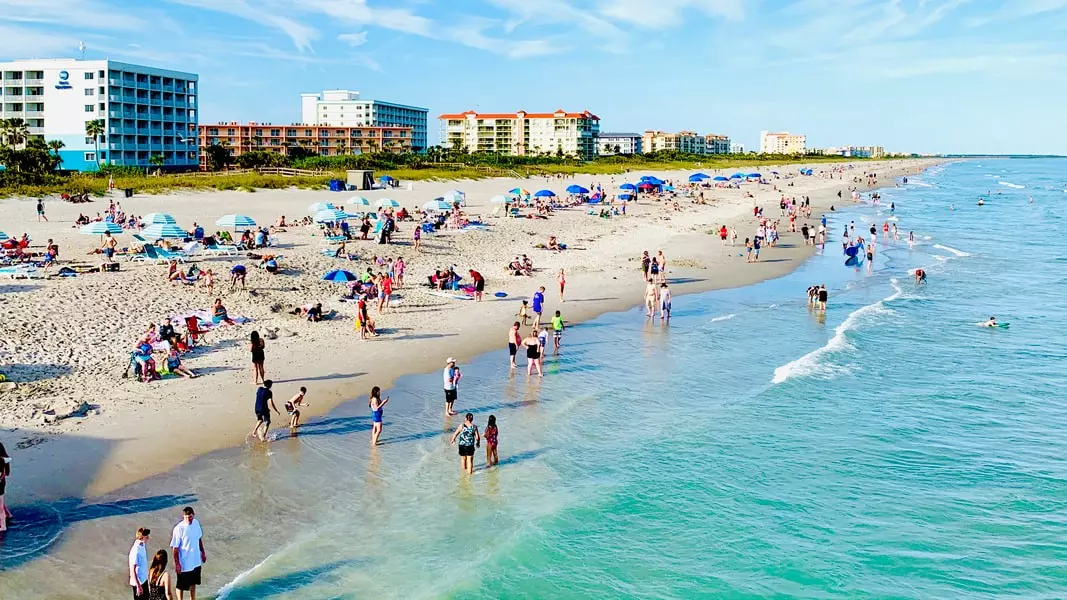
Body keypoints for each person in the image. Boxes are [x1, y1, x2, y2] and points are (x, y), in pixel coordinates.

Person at [170, 507, 206, 600]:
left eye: (190, 517)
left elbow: (199, 538)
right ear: (183, 517)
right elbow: (175, 548)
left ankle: (192, 598)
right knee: (181, 585)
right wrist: (177, 564)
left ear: (193, 515)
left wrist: (203, 552)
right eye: (186, 517)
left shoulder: (196, 523)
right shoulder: (179, 529)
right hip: (184, 563)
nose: (189, 519)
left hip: (196, 560)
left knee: (193, 582)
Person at [130, 527, 151, 600]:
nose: (148, 537)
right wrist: (138, 586)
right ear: (141, 537)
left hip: (144, 580)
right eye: (146, 536)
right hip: (138, 583)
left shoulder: (142, 545)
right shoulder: (136, 551)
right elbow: (133, 570)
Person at [0, 441, 9, 532]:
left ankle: (3, 526)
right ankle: (8, 514)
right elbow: (7, 459)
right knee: (0, 501)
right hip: (2, 480)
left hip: (0, 482)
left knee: (0, 506)